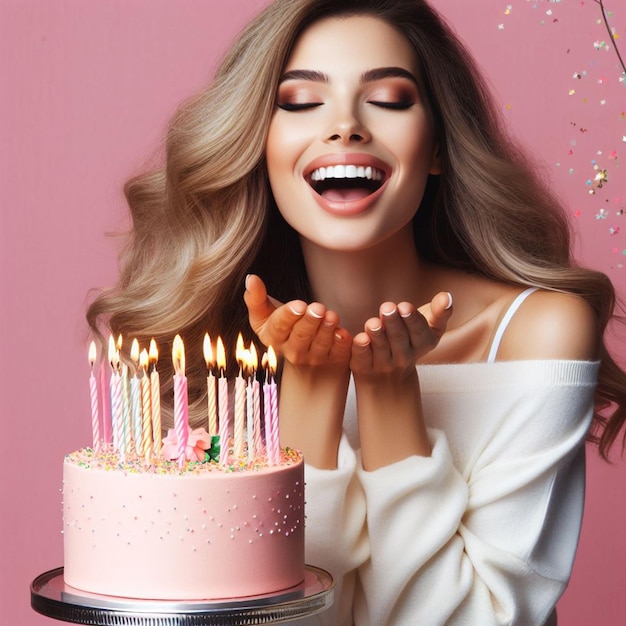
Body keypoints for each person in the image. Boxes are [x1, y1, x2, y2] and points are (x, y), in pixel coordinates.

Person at [86, 0, 626, 624]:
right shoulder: (219, 353)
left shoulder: (536, 332)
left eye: (390, 99)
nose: (344, 126)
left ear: (439, 147)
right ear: (256, 145)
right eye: (299, 102)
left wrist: (390, 393)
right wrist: (312, 391)